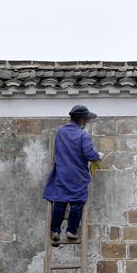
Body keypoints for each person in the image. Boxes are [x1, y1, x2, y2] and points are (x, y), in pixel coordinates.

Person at [43, 105, 103, 246]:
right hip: (77, 176)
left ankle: (55, 231)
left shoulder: (61, 132)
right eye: (87, 120)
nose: (87, 122)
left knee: (60, 201)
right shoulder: (83, 135)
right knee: (77, 203)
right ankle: (71, 231)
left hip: (61, 173)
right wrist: (97, 156)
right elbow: (88, 154)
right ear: (82, 120)